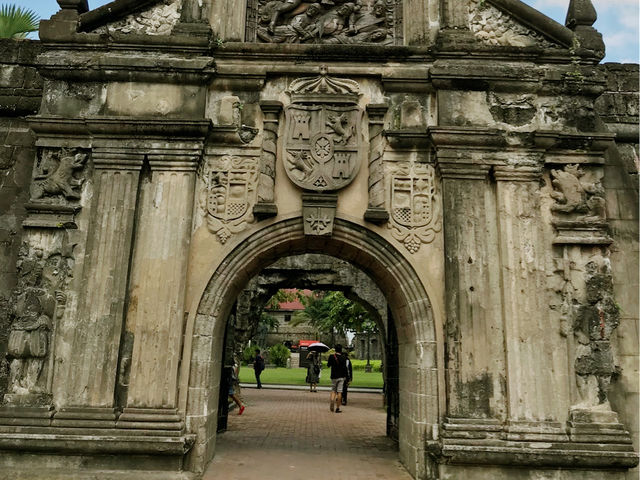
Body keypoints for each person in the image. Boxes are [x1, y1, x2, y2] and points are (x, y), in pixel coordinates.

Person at [327, 344, 348, 413]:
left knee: (333, 390)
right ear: (341, 350)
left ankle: (332, 400)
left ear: (335, 349)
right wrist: (346, 377)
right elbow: (345, 368)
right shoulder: (344, 357)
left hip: (333, 376)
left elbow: (328, 365)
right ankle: (338, 407)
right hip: (341, 376)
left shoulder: (331, 356)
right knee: (339, 392)